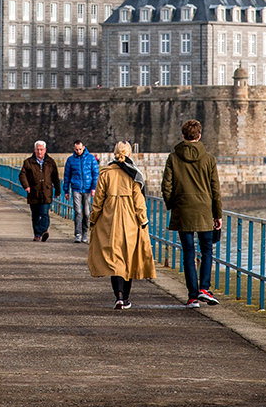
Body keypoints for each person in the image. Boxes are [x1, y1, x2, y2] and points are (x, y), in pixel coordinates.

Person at [161, 119, 222, 309]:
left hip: (183, 210)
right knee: (206, 251)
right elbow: (215, 189)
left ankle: (192, 296)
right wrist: (217, 214)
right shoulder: (209, 159)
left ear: (183, 135)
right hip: (205, 211)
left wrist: (173, 205)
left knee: (188, 253)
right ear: (199, 135)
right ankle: (204, 288)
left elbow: (166, 187)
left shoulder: (173, 158)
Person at [87, 141, 156, 309]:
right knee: (128, 259)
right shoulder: (134, 175)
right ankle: (125, 297)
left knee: (114, 260)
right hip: (130, 221)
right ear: (129, 154)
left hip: (109, 221)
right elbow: (139, 201)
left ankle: (118, 296)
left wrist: (93, 219)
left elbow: (98, 201)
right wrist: (143, 220)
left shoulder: (106, 173)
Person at [18, 141, 60, 242]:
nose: (39, 152)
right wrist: (26, 186)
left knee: (44, 213)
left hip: (46, 192)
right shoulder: (28, 162)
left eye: (41, 149)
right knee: (35, 215)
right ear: (34, 150)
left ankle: (43, 231)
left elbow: (55, 177)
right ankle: (37, 234)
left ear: (45, 150)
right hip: (33, 192)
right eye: (37, 149)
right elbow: (22, 175)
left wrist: (58, 190)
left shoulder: (50, 162)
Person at [63, 139, 99, 243]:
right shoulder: (70, 160)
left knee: (87, 213)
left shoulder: (91, 158)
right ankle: (78, 234)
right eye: (76, 149)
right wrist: (66, 190)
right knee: (78, 212)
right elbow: (67, 176)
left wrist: (93, 188)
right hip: (76, 188)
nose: (78, 151)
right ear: (74, 149)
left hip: (87, 189)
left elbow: (95, 174)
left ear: (83, 148)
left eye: (80, 149)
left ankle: (85, 233)